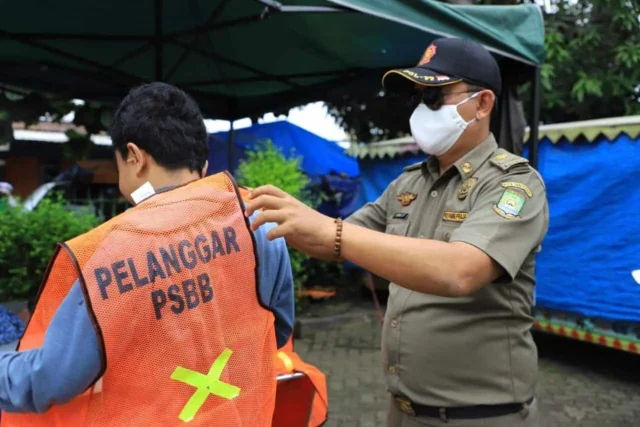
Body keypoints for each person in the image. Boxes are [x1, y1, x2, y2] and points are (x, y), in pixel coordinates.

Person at [246, 37, 548, 427]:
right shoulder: (409, 184)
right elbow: (334, 239)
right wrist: (270, 215)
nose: (425, 109)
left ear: (483, 103)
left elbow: (461, 271)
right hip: (403, 412)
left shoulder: (514, 185)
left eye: (436, 96)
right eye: (420, 98)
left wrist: (332, 232)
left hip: (482, 416)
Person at [0, 82, 294, 426]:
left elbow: (48, 380)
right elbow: (277, 330)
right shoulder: (256, 221)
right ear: (203, 162)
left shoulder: (110, 252)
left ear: (134, 157)